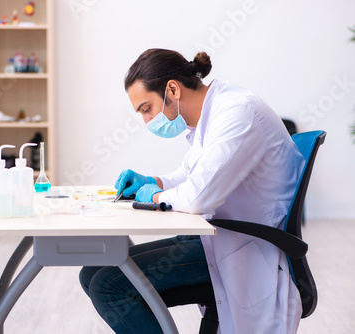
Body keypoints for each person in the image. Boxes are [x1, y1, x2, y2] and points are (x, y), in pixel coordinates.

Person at [79, 49, 304, 333]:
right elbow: (190, 176)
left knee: (108, 286)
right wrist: (153, 182)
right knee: (93, 273)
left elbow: (198, 195)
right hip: (216, 238)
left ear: (172, 89)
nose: (147, 121)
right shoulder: (210, 116)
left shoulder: (238, 113)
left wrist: (155, 197)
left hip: (243, 249)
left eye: (146, 109)